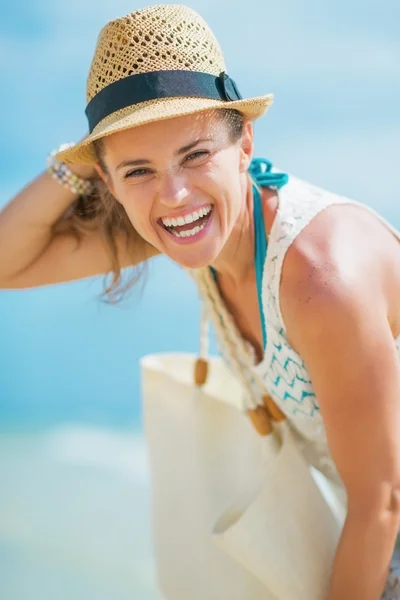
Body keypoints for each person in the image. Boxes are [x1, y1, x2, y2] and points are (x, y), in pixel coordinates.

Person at [1, 4, 400, 599]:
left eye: (195, 154)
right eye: (138, 170)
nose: (175, 193)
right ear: (107, 183)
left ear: (245, 144)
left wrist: (111, 160)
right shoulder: (195, 228)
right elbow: (9, 263)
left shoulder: (318, 280)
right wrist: (72, 165)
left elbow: (382, 503)